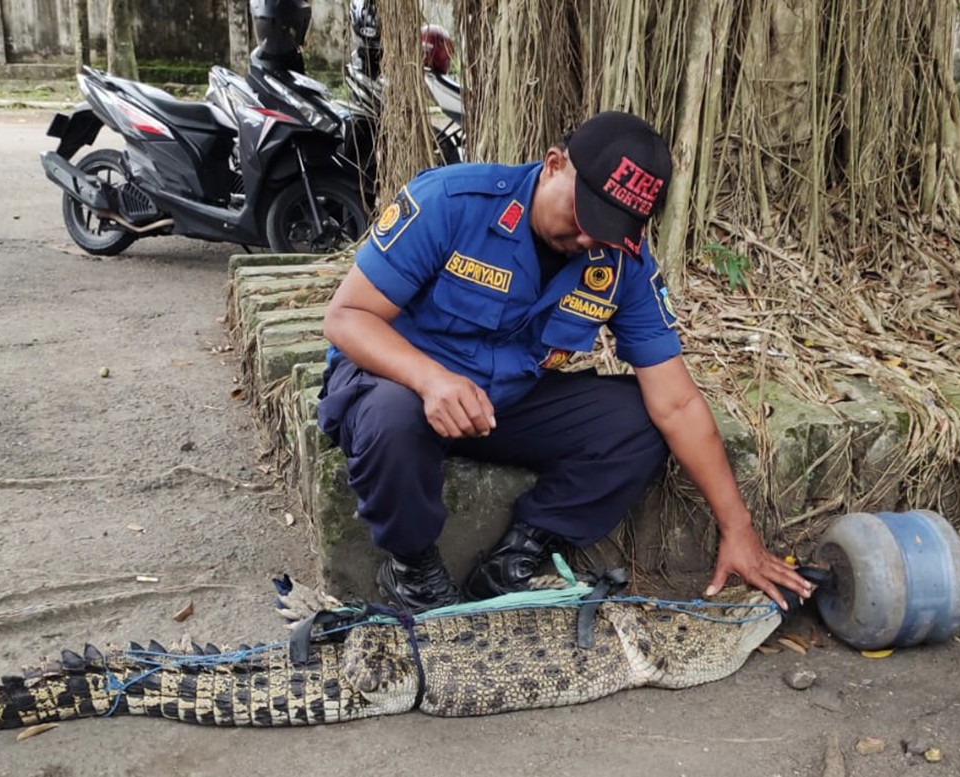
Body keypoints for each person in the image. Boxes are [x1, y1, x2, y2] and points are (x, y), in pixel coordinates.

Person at [318, 110, 812, 613]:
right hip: (397, 386)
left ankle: (517, 557)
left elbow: (678, 403)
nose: (588, 240)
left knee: (641, 420)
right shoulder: (451, 202)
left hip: (502, 403)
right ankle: (415, 571)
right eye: (584, 218)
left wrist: (739, 529)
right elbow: (346, 318)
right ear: (555, 165)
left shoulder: (622, 264)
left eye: (608, 230)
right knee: (391, 417)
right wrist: (430, 379)